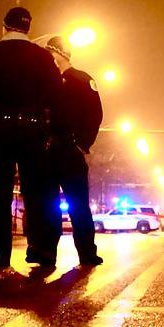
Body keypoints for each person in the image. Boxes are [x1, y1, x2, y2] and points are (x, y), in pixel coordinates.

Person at [0, 6, 62, 269]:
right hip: (32, 131)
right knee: (36, 192)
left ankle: (3, 252)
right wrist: (46, 128)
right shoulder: (43, 58)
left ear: (4, 26)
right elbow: (57, 96)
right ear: (28, 28)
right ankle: (38, 249)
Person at [41, 34, 104, 267]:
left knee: (78, 205)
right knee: (47, 205)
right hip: (47, 150)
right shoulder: (45, 81)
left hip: (70, 149)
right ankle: (46, 254)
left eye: (50, 54)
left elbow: (95, 115)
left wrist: (82, 144)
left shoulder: (81, 80)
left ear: (59, 55)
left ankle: (87, 253)